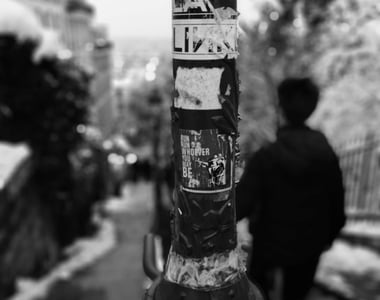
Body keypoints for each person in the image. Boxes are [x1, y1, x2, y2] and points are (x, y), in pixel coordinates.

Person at [236, 78, 346, 300]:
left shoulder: (266, 156)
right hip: (309, 248)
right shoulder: (326, 155)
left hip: (269, 247)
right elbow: (337, 205)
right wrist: (326, 237)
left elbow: (240, 206)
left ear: (283, 107)